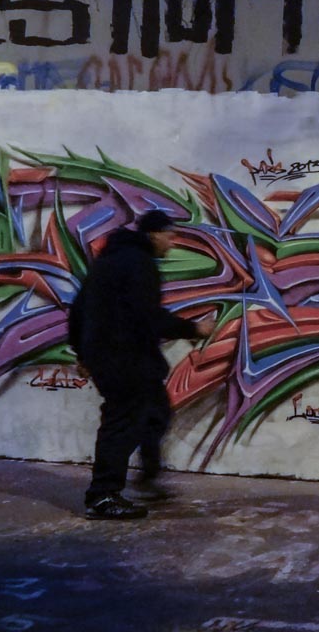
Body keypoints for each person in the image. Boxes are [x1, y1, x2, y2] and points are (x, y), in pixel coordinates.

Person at [68, 210, 215, 520]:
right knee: (122, 421)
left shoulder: (107, 262)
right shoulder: (140, 264)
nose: (172, 244)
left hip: (113, 357)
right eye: (169, 236)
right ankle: (103, 495)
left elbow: (78, 309)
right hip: (125, 358)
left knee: (156, 411)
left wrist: (82, 353)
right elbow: (147, 315)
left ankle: (147, 478)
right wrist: (193, 328)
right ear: (153, 234)